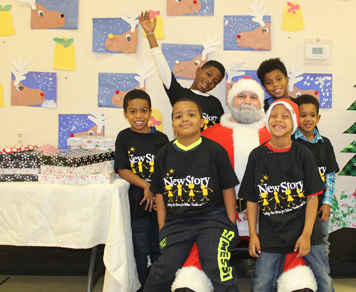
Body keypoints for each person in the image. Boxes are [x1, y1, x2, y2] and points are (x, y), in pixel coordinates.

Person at [171, 76, 271, 292]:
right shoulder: (210, 135)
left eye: (253, 97)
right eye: (241, 96)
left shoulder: (275, 134)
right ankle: (193, 278)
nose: (246, 101)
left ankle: (291, 277)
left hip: (267, 216)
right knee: (204, 241)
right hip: (218, 214)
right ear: (230, 102)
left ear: (261, 103)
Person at [144, 98, 240, 292]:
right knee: (163, 270)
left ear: (202, 121)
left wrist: (231, 223)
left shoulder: (215, 151)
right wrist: (163, 227)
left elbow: (228, 188)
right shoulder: (164, 154)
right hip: (177, 223)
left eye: (191, 114)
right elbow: (160, 194)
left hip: (212, 220)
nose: (184, 119)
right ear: (172, 124)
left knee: (217, 265)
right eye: (178, 116)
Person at [239, 98, 334, 292]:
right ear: (267, 121)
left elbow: (312, 197)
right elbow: (251, 199)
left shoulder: (303, 154)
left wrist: (306, 235)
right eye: (273, 116)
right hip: (271, 234)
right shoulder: (257, 156)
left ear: (294, 122)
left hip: (306, 231)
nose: (278, 120)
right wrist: (252, 234)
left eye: (285, 116)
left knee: (323, 278)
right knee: (261, 284)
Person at [114, 89, 169, 291]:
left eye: (143, 111)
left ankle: (157, 285)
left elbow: (165, 170)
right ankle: (140, 286)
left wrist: (154, 189)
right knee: (138, 250)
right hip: (136, 205)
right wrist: (146, 185)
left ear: (150, 112)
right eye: (133, 111)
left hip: (159, 205)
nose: (139, 116)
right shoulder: (124, 137)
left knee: (158, 248)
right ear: (125, 114)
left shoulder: (161, 139)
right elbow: (122, 169)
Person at [139, 10, 225, 129]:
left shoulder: (215, 104)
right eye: (209, 74)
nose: (210, 81)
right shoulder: (179, 94)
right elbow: (162, 65)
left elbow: (219, 132)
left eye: (215, 81)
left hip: (207, 148)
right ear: (198, 71)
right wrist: (150, 34)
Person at [293, 94, 339, 259]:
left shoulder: (325, 144)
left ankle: (321, 279)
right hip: (296, 207)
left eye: (312, 115)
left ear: (318, 118)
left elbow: (330, 176)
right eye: (302, 115)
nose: (308, 119)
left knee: (322, 243)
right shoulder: (291, 143)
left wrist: (327, 203)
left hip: (320, 207)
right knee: (296, 243)